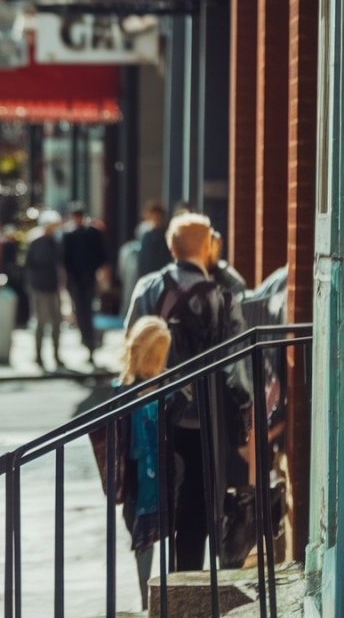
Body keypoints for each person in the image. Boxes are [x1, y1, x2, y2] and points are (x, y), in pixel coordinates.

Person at [124, 213, 248, 571]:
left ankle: (150, 591)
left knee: (147, 500)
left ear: (170, 246)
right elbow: (235, 366)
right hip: (203, 420)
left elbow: (131, 343)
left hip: (151, 415)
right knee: (195, 505)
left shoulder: (148, 287)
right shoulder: (222, 297)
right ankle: (186, 583)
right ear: (208, 246)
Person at [117, 316, 172, 610]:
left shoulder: (133, 389)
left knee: (147, 541)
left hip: (146, 477)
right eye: (161, 358)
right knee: (144, 539)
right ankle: (147, 600)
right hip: (141, 479)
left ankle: (150, 600)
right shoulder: (133, 392)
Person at [62, 202, 108, 366]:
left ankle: (90, 344)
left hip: (88, 278)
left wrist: (103, 275)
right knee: (80, 312)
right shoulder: (69, 235)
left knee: (87, 312)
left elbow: (102, 255)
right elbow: (64, 260)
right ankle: (87, 341)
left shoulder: (92, 233)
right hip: (75, 280)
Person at [24, 210, 66, 370]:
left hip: (53, 287)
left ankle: (56, 355)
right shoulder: (36, 242)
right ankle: (38, 356)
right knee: (41, 322)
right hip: (39, 287)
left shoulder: (56, 242)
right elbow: (29, 265)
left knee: (57, 322)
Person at [137, 201, 173, 279]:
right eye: (153, 217)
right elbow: (143, 264)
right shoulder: (146, 236)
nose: (156, 220)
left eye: (158, 217)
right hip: (148, 279)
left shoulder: (166, 236)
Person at [208, 230, 248, 298]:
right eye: (213, 246)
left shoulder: (222, 269)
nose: (216, 250)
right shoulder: (196, 270)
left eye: (218, 246)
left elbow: (240, 287)